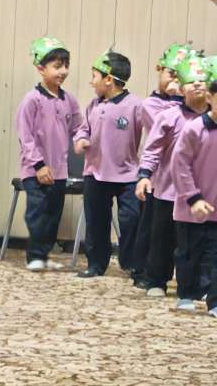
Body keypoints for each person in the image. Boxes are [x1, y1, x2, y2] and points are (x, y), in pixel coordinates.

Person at [75, 50, 142, 278]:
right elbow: (83, 129)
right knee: (96, 222)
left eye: (94, 76)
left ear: (109, 79)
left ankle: (132, 263)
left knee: (132, 219)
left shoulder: (136, 106)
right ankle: (96, 264)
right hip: (95, 173)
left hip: (128, 175)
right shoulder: (93, 105)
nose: (90, 81)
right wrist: (81, 140)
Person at [15, 37, 79, 271]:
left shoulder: (69, 100)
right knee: (38, 214)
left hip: (59, 171)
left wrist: (83, 139)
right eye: (57, 66)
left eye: (66, 65)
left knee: (53, 214)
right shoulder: (32, 100)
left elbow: (78, 127)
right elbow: (25, 136)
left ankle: (43, 254)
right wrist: (39, 165)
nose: (63, 71)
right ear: (41, 68)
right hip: (36, 171)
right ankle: (34, 256)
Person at [132, 49, 188, 295]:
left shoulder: (196, 110)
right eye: (171, 74)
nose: (175, 80)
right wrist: (177, 98)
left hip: (188, 187)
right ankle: (150, 276)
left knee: (187, 238)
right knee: (157, 234)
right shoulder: (153, 105)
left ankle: (191, 282)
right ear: (159, 70)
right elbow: (161, 135)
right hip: (161, 182)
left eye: (181, 77)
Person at [166, 55, 216, 313]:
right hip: (190, 208)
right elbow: (180, 165)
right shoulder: (195, 129)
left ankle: (214, 302)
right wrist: (193, 198)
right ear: (210, 98)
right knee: (187, 254)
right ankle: (186, 294)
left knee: (215, 258)